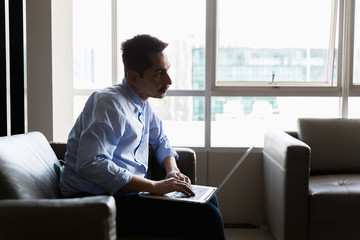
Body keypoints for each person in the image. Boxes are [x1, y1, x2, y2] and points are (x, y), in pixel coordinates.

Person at [59, 34, 226, 239]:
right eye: (159, 73)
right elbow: (91, 164)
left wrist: (171, 170)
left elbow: (161, 140)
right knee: (206, 215)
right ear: (133, 77)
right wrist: (155, 187)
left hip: (124, 194)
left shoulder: (141, 103)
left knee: (209, 201)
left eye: (167, 71)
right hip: (94, 200)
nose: (169, 80)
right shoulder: (109, 104)